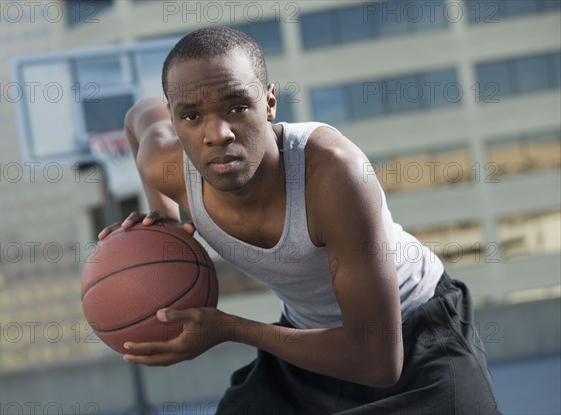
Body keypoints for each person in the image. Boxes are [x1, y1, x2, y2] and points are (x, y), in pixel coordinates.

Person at [99, 27, 500, 414]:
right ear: (174, 118)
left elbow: (378, 361)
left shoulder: (333, 174)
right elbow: (140, 115)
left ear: (270, 102)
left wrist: (229, 328)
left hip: (415, 334)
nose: (216, 133)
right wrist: (165, 224)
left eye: (237, 107)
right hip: (310, 337)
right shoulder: (165, 165)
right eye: (191, 116)